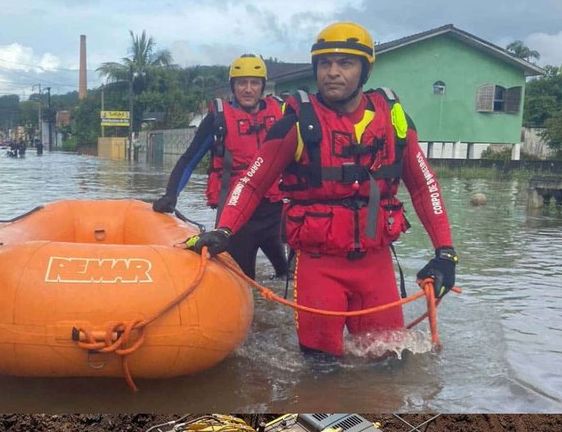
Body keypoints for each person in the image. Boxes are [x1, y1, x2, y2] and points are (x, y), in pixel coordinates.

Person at [186, 23, 458, 361]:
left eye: (345, 63)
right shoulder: (297, 123)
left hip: (377, 267)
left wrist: (445, 253)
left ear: (364, 70)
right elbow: (251, 182)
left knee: (390, 366)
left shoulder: (394, 118)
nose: (332, 73)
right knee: (320, 370)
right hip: (318, 267)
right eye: (325, 64)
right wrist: (223, 230)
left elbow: (424, 185)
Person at [153, 54, 288, 279]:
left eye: (254, 83)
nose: (247, 89)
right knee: (245, 282)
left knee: (286, 276)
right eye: (241, 83)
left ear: (263, 86)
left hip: (273, 213)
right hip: (236, 219)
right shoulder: (219, 120)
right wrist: (171, 195)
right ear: (232, 86)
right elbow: (189, 160)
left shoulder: (280, 114)